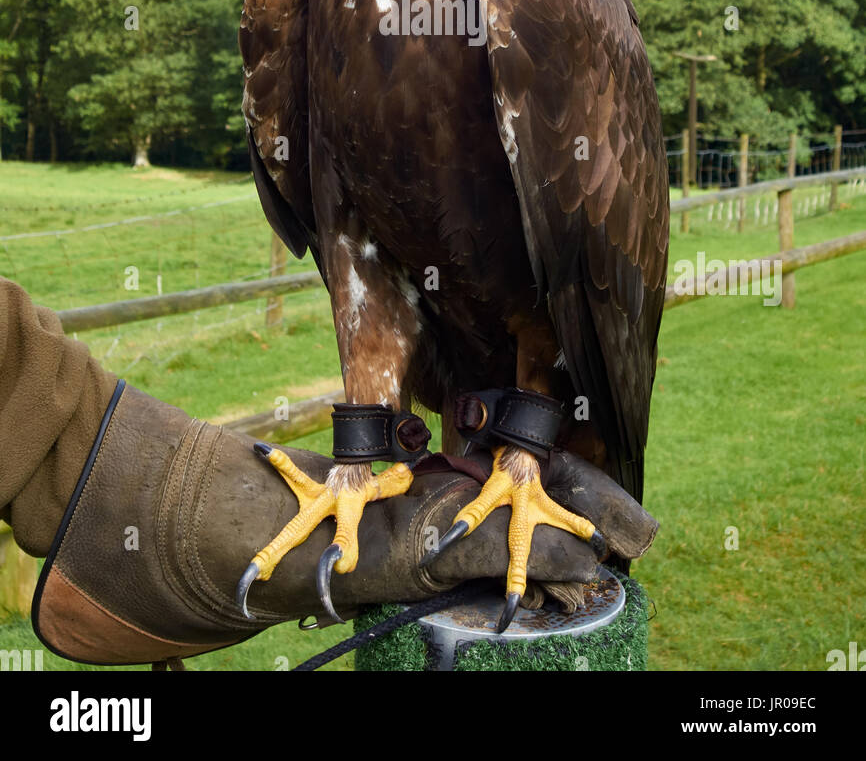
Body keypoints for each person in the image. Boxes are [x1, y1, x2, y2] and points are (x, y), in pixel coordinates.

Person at [0, 277, 656, 667]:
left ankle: (81, 460)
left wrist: (525, 449)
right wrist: (354, 469)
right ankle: (95, 474)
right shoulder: (290, 49)